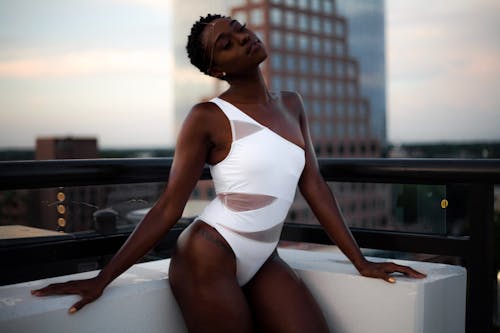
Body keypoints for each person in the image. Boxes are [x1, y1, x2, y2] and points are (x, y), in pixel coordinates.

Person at [32, 14, 426, 333]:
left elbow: (314, 185)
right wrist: (102, 279)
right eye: (226, 44)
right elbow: (169, 207)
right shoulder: (206, 117)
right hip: (207, 257)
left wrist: (361, 262)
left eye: (239, 30)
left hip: (262, 257)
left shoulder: (292, 103)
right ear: (215, 68)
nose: (242, 39)